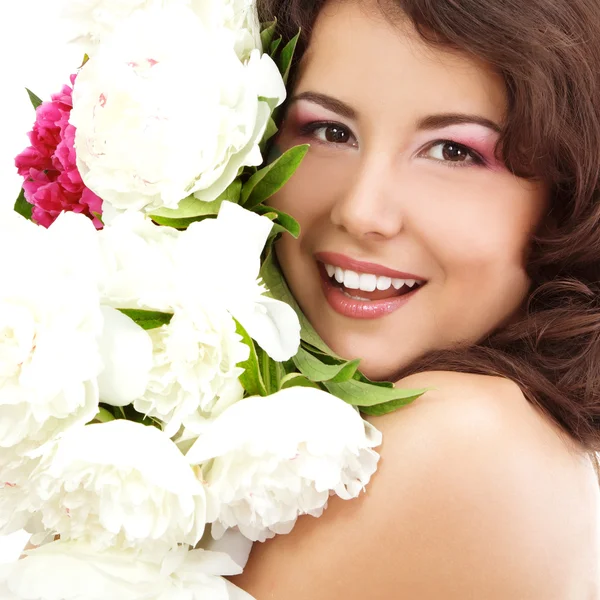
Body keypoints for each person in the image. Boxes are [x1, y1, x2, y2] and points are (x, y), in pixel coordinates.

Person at [231, 0, 600, 597]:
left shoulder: (468, 437)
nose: (361, 210)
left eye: (453, 152)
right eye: (330, 131)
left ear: (569, 196)